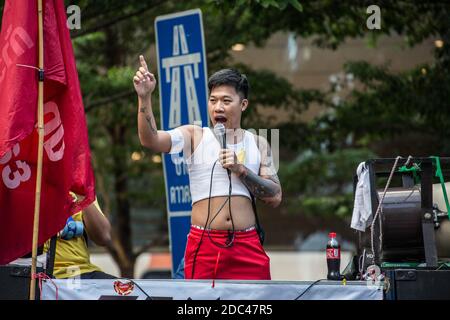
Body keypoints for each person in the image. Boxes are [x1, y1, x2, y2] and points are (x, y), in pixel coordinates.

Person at [134, 55, 282, 280]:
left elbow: (275, 195)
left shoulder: (258, 142)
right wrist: (144, 98)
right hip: (205, 243)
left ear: (243, 104)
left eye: (226, 101)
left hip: (247, 244)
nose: (218, 107)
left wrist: (241, 170)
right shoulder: (195, 135)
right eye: (213, 101)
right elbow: (151, 140)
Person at [44, 194, 116, 279]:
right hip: (38, 275)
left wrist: (82, 195)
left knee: (131, 290)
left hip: (80, 272)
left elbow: (104, 237)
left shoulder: (80, 189)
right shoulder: (28, 186)